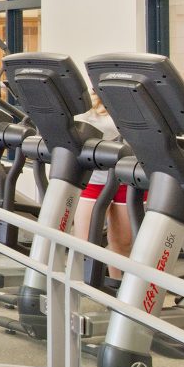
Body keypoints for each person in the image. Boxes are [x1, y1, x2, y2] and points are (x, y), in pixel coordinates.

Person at [74, 90, 133, 275]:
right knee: (84, 241)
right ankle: (82, 286)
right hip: (95, 179)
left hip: (127, 177)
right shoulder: (89, 109)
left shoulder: (138, 106)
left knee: (123, 242)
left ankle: (116, 285)